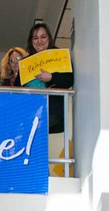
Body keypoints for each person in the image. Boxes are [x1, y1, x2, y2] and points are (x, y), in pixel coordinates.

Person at [23, 22, 76, 176]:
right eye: (35, 38)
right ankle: (36, 171)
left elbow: (69, 80)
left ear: (49, 38)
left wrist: (51, 77)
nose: (39, 41)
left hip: (52, 109)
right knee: (33, 136)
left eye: (43, 37)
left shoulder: (59, 56)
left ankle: (39, 172)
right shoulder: (27, 62)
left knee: (37, 134)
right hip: (31, 110)